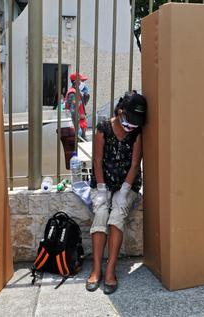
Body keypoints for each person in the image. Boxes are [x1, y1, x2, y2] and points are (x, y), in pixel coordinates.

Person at [86, 91, 147, 295]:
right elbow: (97, 161)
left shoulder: (136, 133)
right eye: (130, 120)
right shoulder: (103, 129)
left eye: (136, 122)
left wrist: (124, 191)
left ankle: (110, 270)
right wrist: (102, 189)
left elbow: (134, 164)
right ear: (121, 112)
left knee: (117, 216)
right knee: (101, 214)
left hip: (126, 184)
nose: (132, 125)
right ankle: (96, 269)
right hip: (103, 182)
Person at [65, 72, 89, 140]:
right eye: (82, 81)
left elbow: (83, 104)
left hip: (81, 124)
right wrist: (77, 127)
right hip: (77, 125)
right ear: (76, 82)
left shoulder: (77, 92)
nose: (83, 83)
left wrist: (86, 94)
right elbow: (72, 112)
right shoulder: (73, 93)